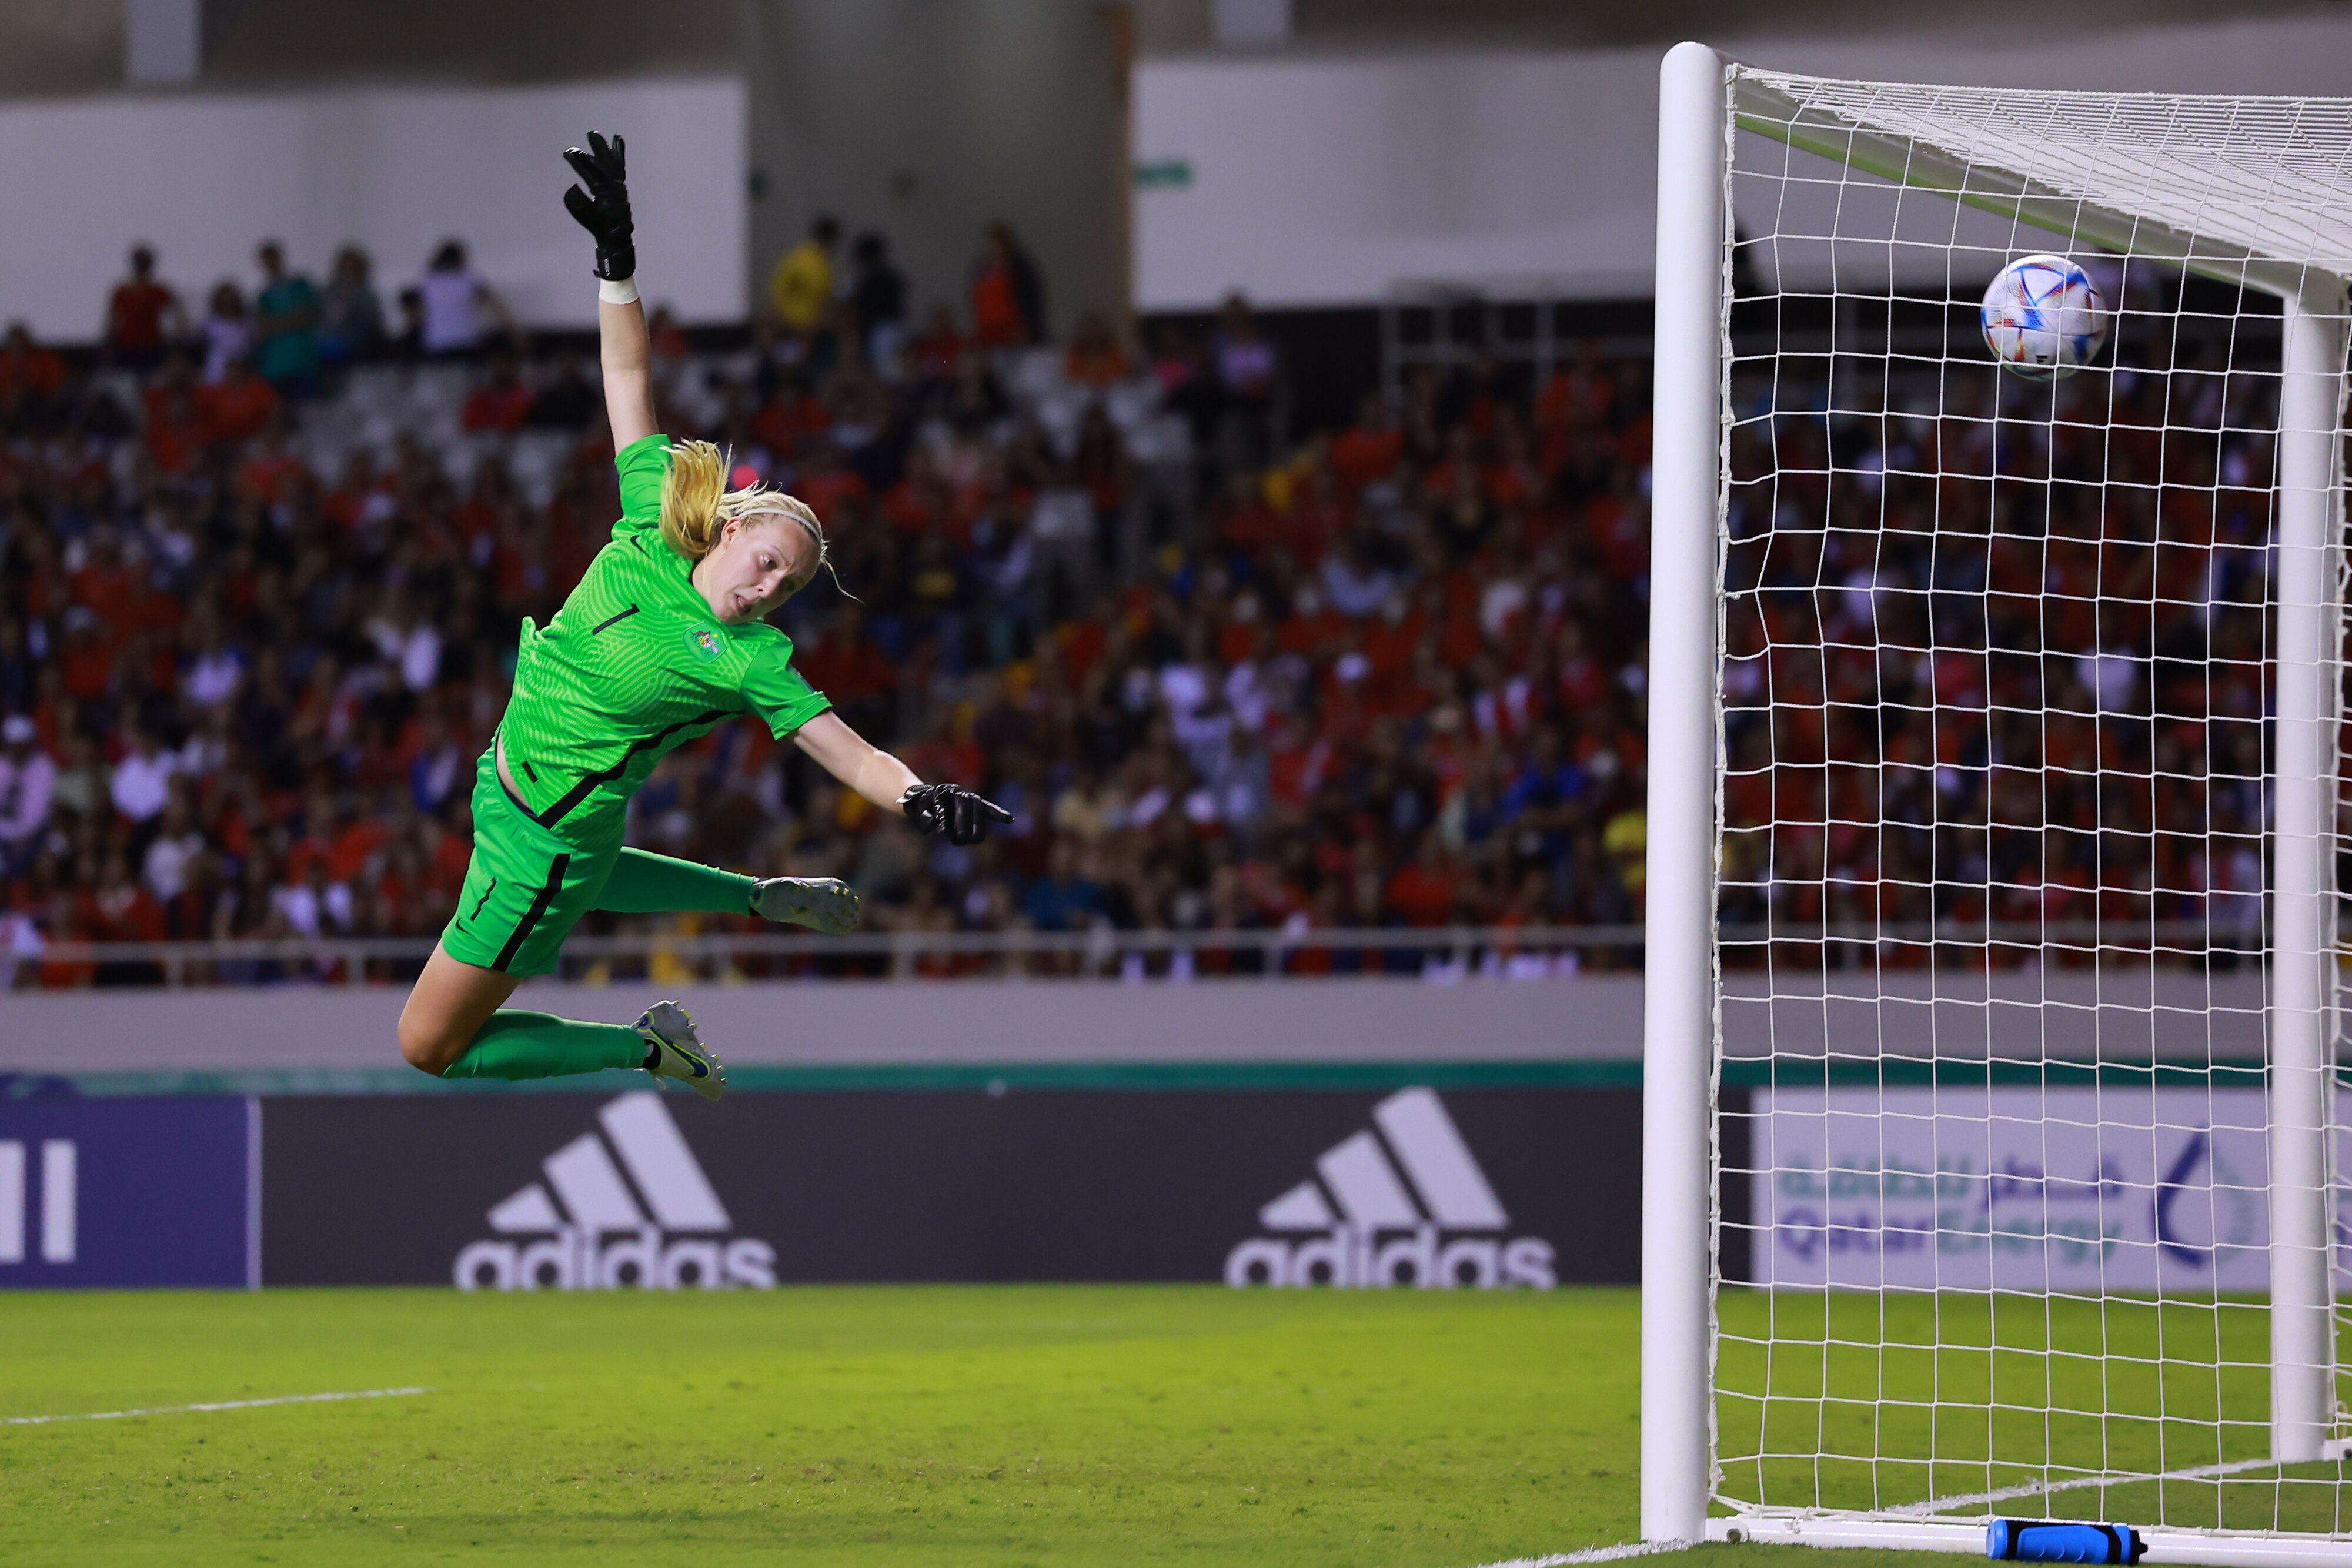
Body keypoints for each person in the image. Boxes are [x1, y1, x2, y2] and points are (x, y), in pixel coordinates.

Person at [395, 132, 1010, 1100]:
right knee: (591, 871)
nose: (769, 589)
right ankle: (761, 900)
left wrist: (918, 797)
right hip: (509, 783)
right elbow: (627, 380)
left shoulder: (745, 658)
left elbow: (845, 750)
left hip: (542, 841)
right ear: (726, 530)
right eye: (767, 562)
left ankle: (648, 1046)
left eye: (788, 586)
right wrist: (616, 260)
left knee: (429, 1046)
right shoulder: (654, 514)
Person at [253, 240, 320, 397]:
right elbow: (264, 325)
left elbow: (308, 315)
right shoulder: (265, 294)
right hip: (275, 365)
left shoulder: (299, 285)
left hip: (300, 359)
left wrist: (278, 322)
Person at [104, 245, 185, 370]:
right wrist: (108, 346)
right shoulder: (122, 292)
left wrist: (174, 339)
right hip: (127, 347)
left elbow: (178, 314)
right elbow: (112, 321)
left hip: (151, 346)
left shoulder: (158, 291)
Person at [768, 215, 839, 336]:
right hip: (794, 323)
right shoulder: (805, 260)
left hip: (808, 324)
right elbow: (779, 290)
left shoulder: (816, 262)